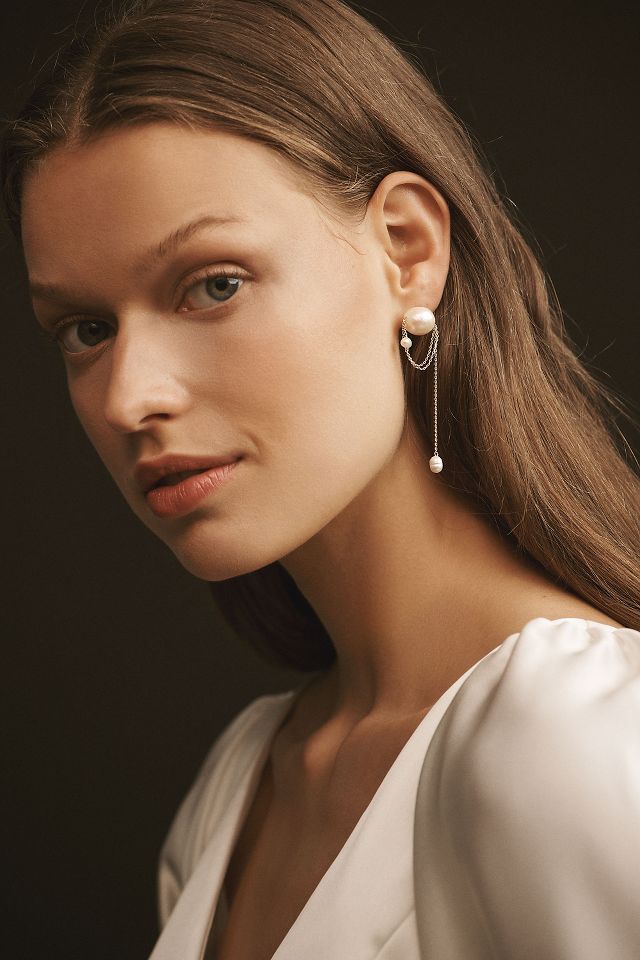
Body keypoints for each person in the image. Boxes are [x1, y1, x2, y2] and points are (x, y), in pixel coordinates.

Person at [2, 0, 639, 957]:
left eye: (214, 284)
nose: (129, 398)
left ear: (408, 251)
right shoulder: (238, 788)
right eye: (86, 330)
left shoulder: (565, 738)